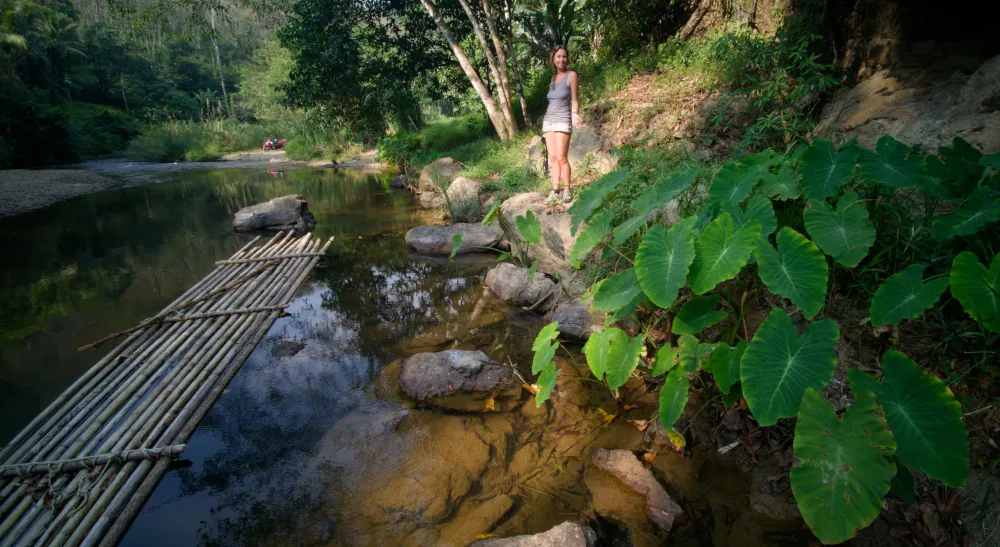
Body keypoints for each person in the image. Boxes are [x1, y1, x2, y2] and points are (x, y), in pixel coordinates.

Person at [542, 46, 584, 205]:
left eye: (564, 56)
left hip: (562, 119)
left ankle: (567, 189)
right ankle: (555, 190)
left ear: (568, 59)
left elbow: (575, 99)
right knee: (553, 157)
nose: (561, 59)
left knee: (561, 157)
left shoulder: (571, 75)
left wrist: (574, 114)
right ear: (553, 59)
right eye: (558, 57)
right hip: (549, 120)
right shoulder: (553, 79)